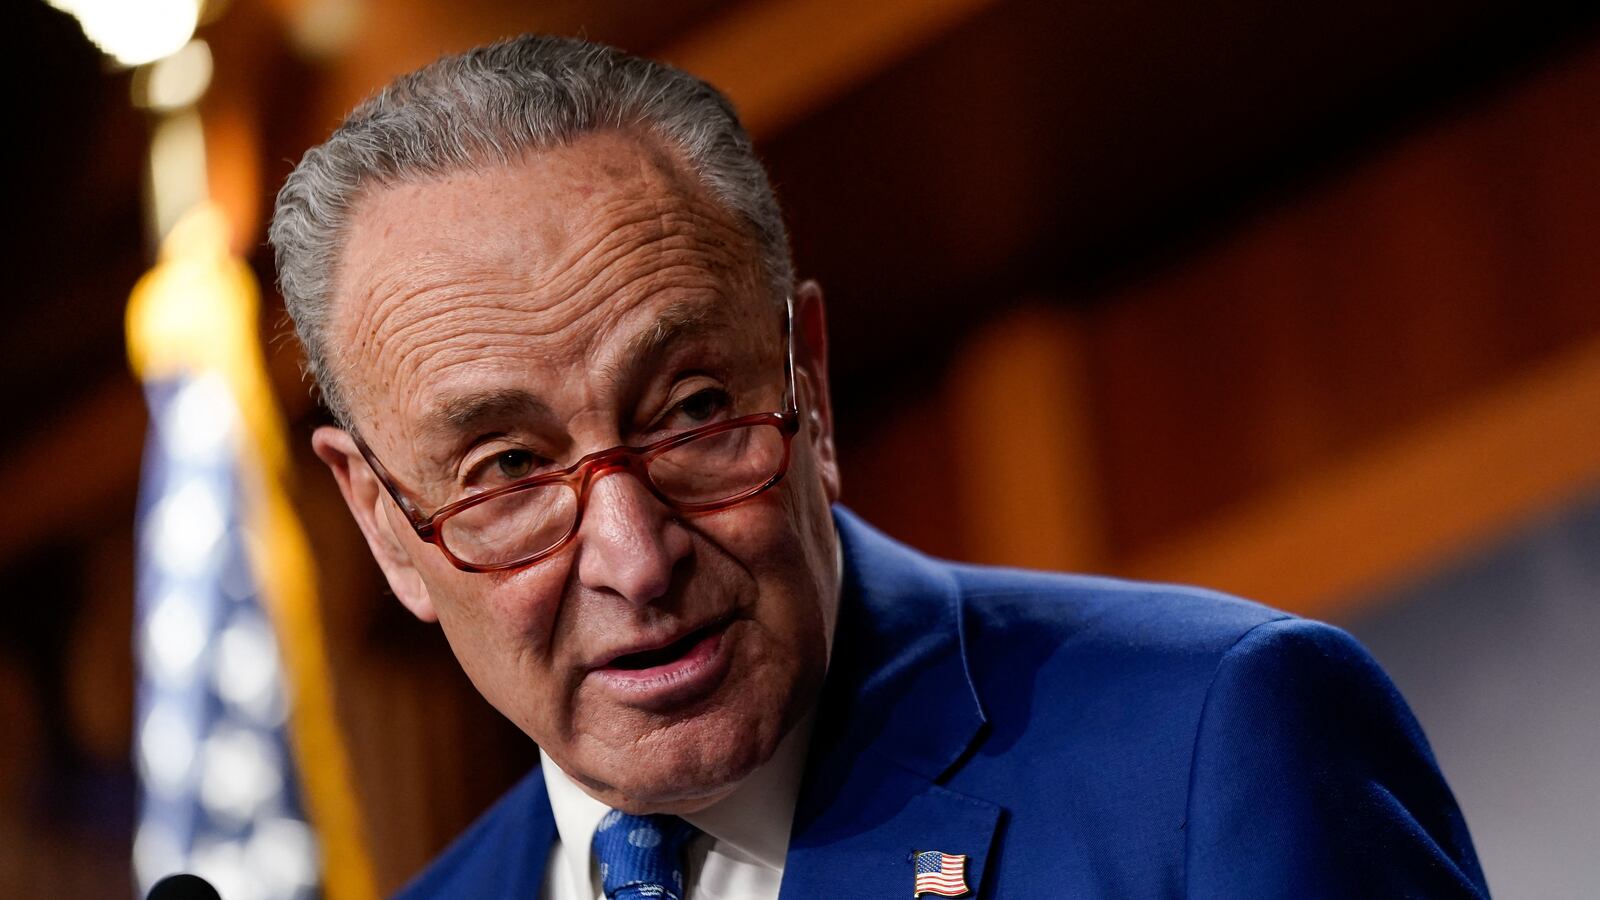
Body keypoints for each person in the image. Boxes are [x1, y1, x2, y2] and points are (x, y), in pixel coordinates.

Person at [270, 34, 1489, 900]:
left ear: (809, 382)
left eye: (695, 410)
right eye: (507, 471)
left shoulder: (1214, 745)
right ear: (382, 522)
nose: (635, 559)